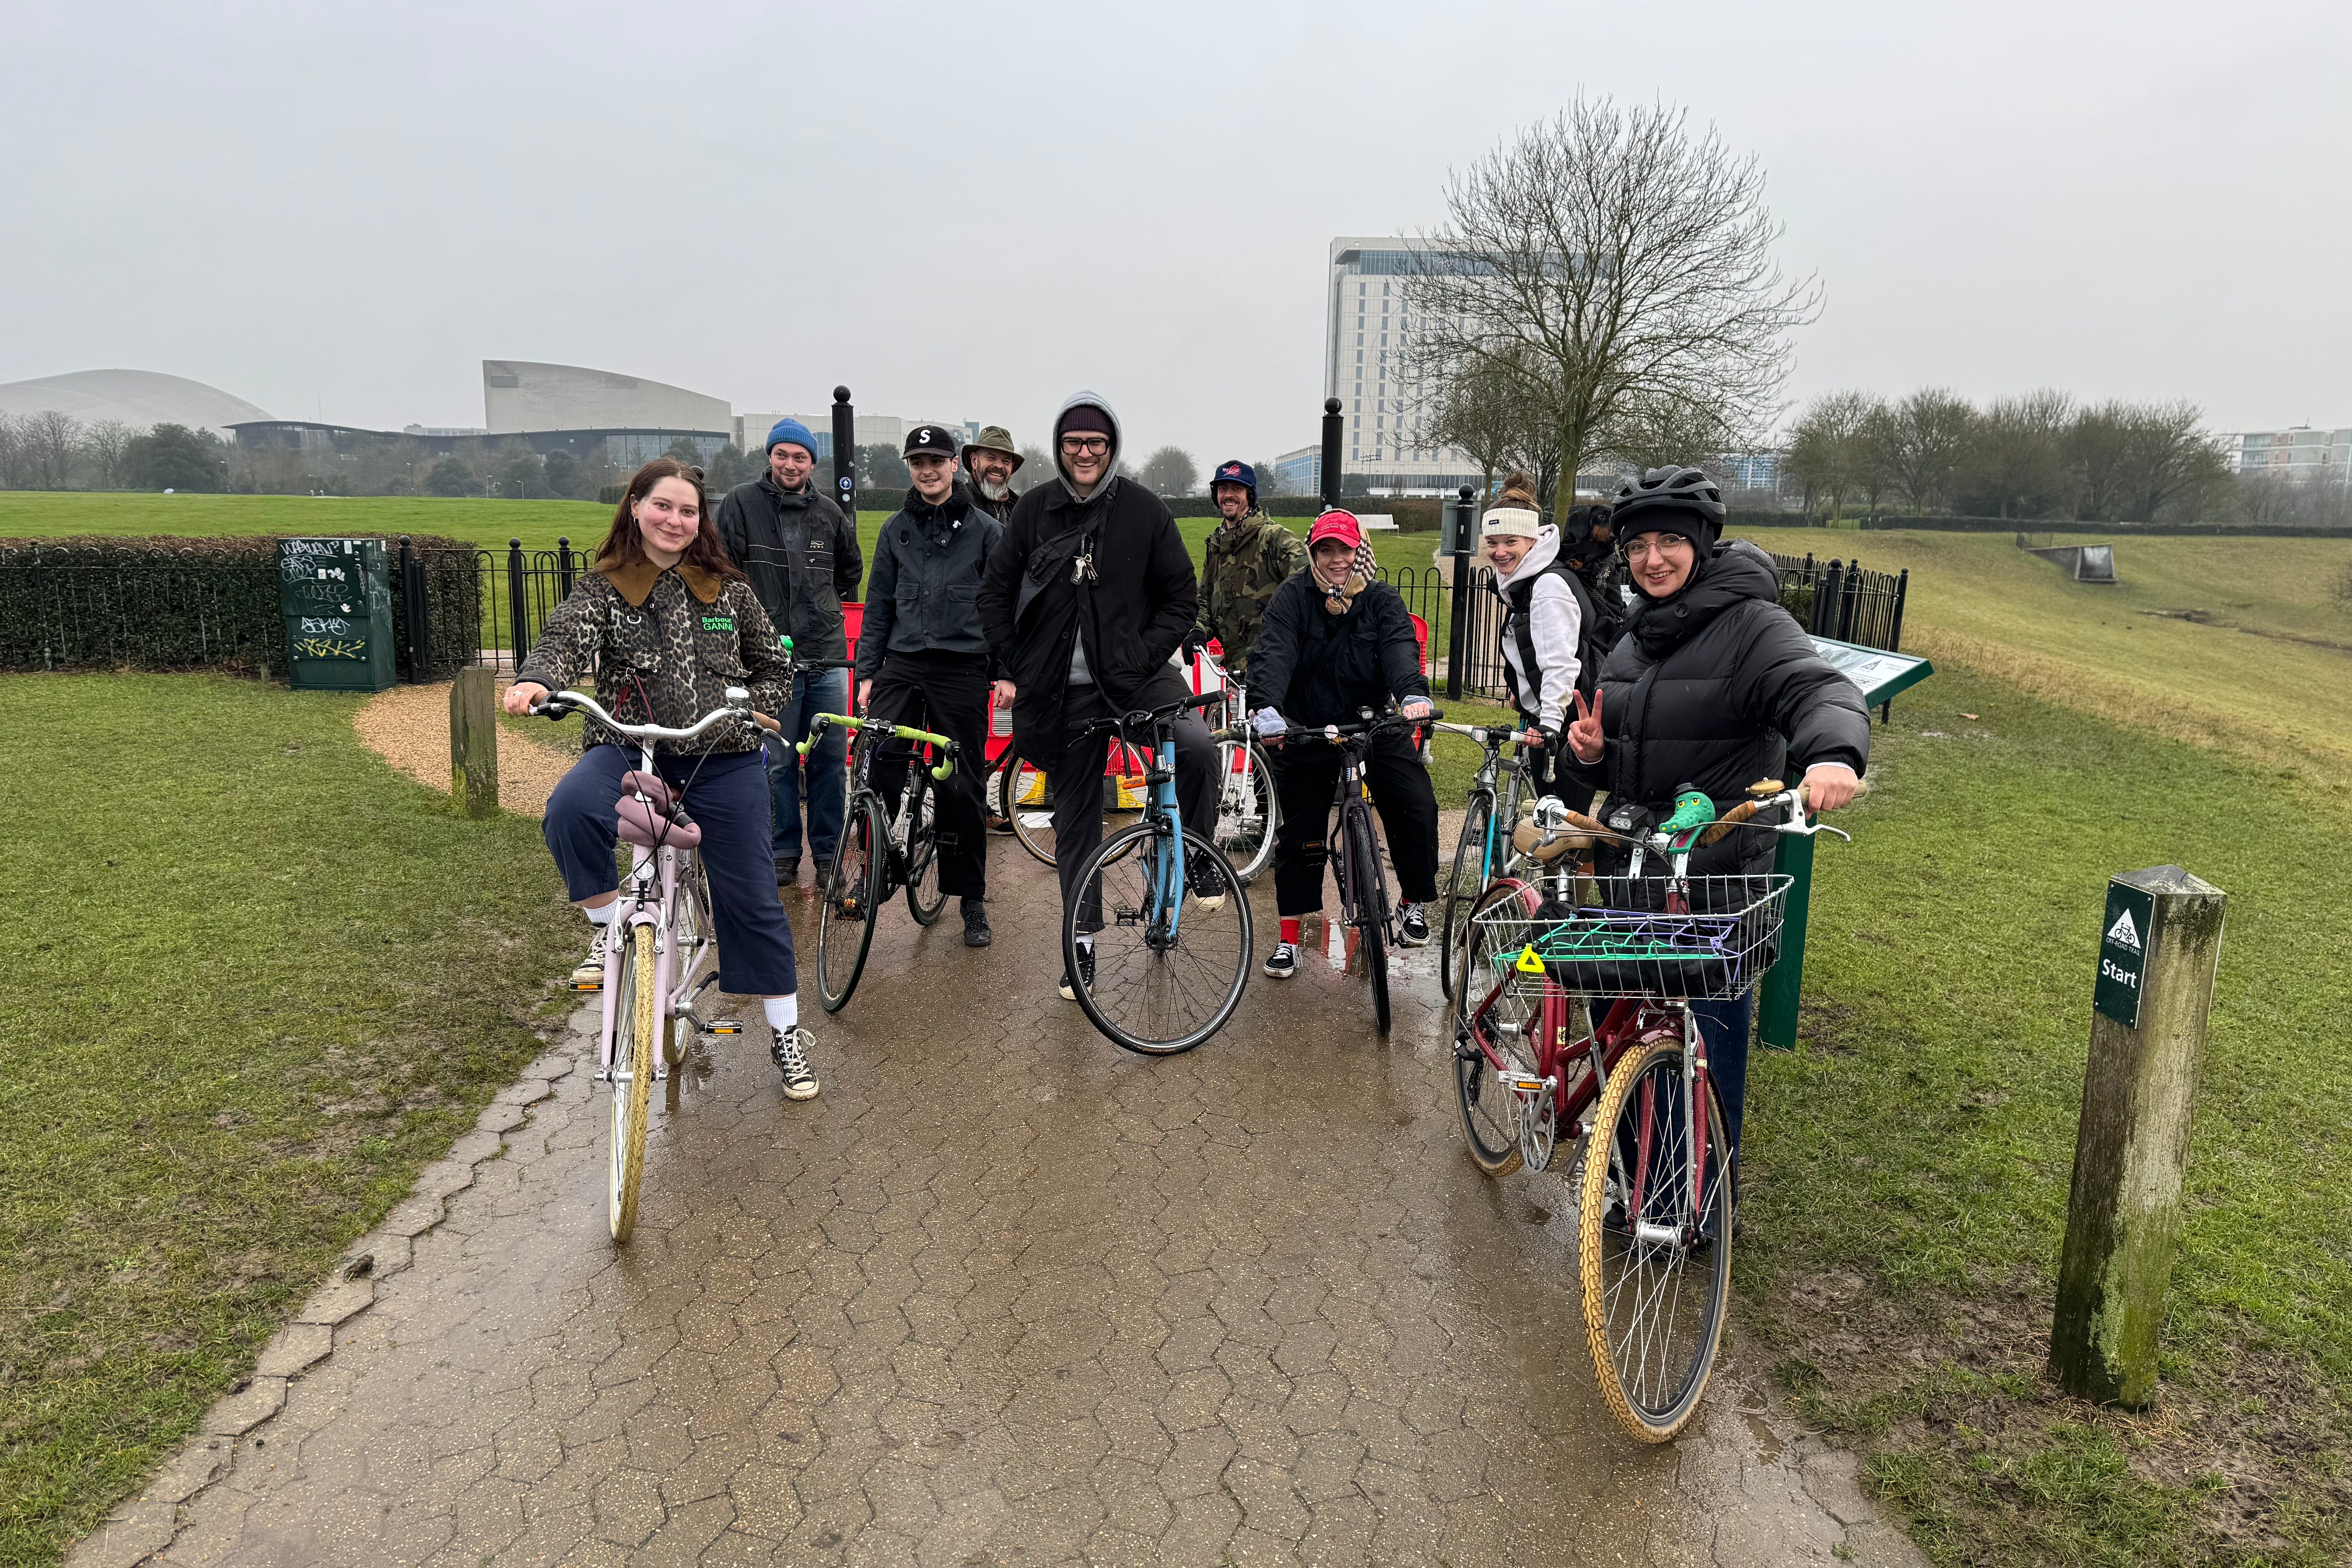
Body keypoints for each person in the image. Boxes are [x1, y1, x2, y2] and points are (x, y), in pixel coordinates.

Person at [1561, 464, 1867, 1167]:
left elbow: (1817, 689)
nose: (1653, 559)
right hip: (1634, 873)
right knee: (1627, 1041)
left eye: (1670, 541)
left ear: (1700, 545)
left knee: (1705, 1056)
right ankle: (1634, 1183)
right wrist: (1593, 753)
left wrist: (1832, 755)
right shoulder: (1635, 636)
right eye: (1638, 546)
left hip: (1715, 884)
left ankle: (1703, 1198)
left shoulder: (1754, 627)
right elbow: (1630, 762)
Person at [504, 458, 822, 1100]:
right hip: (628, 749)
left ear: (701, 520)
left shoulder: (728, 591)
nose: (675, 520)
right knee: (570, 809)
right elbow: (564, 640)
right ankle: (608, 927)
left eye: (688, 511)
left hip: (722, 756)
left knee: (753, 893)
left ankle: (786, 1034)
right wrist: (538, 679)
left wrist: (757, 708)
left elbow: (773, 665)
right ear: (636, 507)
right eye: (663, 506)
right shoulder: (605, 588)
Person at [976, 391, 1220, 1001]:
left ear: (1112, 447)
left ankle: (1196, 851)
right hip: (1063, 691)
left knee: (1196, 747)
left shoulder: (1145, 510)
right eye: (1073, 443)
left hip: (1137, 676)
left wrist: (1141, 654)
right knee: (1076, 818)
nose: (1084, 453)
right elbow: (994, 592)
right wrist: (1020, 662)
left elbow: (1181, 598)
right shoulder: (1034, 511)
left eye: (1096, 443)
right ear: (1059, 447)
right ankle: (1081, 943)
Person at [1244, 509, 1439, 980]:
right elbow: (1275, 651)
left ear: (1360, 552)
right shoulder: (1293, 596)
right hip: (1307, 725)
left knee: (1416, 802)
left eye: (1345, 550)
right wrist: (1268, 707)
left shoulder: (1381, 600)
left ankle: (1413, 901)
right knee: (1300, 833)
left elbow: (1399, 649)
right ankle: (1289, 937)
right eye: (1325, 550)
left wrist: (1412, 695)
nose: (1336, 559)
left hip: (1371, 722)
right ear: (1313, 553)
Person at [857, 423, 1003, 948]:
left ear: (954, 465)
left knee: (961, 785)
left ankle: (970, 898)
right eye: (918, 462)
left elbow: (1002, 606)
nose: (927, 470)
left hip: (961, 667)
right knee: (878, 760)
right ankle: (874, 866)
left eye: (937, 461)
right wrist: (867, 673)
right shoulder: (894, 529)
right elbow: (878, 603)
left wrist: (1006, 671)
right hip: (902, 662)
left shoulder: (986, 531)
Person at [715, 417, 863, 891]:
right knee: (777, 760)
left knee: (829, 762)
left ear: (812, 463)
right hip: (769, 659)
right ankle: (782, 852)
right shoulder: (741, 504)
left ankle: (828, 855)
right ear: (770, 457)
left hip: (827, 656)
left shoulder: (830, 515)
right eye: (782, 454)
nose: (791, 464)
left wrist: (820, 606)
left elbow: (851, 571)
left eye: (800, 457)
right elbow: (720, 569)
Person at [1479, 474, 1610, 810]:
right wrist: (1521, 690)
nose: (1499, 552)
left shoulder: (1548, 586)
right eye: (1492, 542)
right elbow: (1528, 645)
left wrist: (1549, 722)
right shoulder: (1524, 581)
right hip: (1551, 714)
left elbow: (1561, 662)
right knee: (1551, 818)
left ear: (1531, 540)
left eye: (1510, 542)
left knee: (1562, 828)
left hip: (1568, 724)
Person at [1192, 459, 1306, 687]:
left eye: (1237, 489)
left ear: (1250, 496)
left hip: (1279, 672)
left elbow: (1308, 588)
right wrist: (1199, 629)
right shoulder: (1217, 545)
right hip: (1236, 674)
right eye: (1223, 489)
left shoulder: (1274, 538)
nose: (1228, 495)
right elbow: (1205, 598)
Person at [959, 425, 1022, 524]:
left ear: (1012, 467)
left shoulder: (1019, 509)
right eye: (991, 458)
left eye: (1006, 461)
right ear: (974, 461)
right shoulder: (959, 504)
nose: (999, 466)